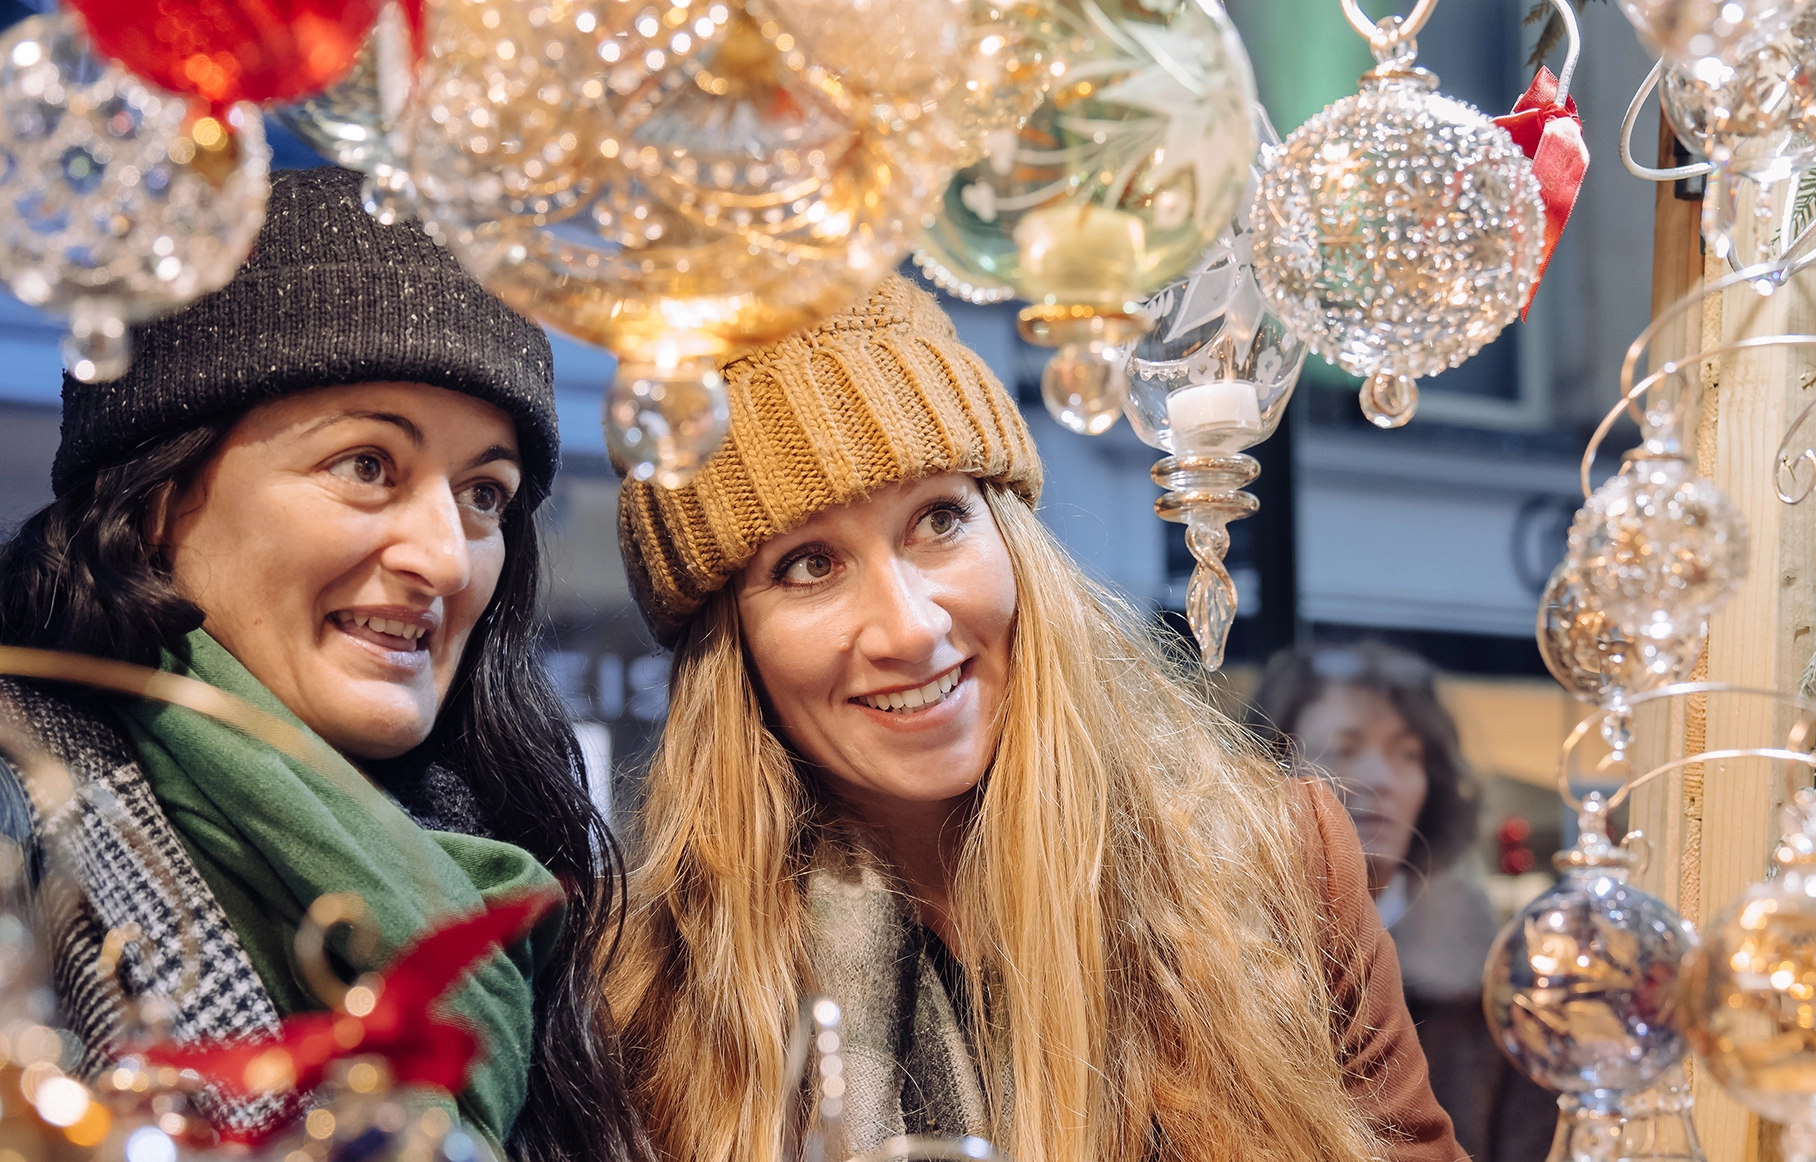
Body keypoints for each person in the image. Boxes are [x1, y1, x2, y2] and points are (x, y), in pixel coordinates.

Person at [605, 275, 1464, 1162]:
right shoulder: (640, 994)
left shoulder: (1274, 866)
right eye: (808, 565)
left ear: (1011, 538)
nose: (911, 628)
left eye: (938, 519)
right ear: (730, 646)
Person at [0, 167, 648, 1162]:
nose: (445, 558)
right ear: (158, 491)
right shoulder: (27, 820)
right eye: (366, 466)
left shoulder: (516, 887)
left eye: (484, 494)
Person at [1249, 643, 1559, 1162]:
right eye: (1344, 748)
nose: (1381, 778)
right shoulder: (1211, 954)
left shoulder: (1501, 984)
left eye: (1408, 755)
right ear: (1273, 768)